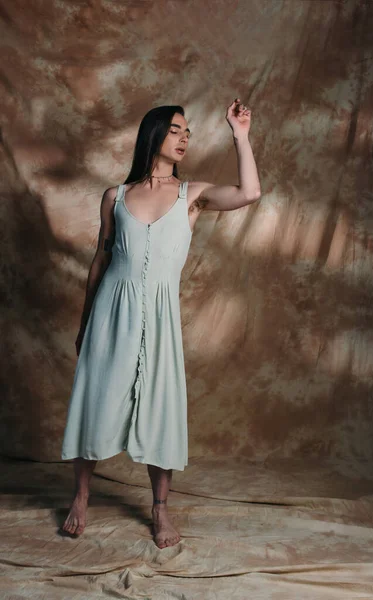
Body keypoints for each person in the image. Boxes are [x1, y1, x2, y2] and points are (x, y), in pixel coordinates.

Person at [61, 98, 261, 549]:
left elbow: (249, 193)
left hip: (160, 317)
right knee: (97, 398)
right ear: (154, 134)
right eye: (176, 130)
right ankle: (80, 496)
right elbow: (100, 262)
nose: (185, 138)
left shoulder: (193, 196)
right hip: (111, 314)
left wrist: (240, 136)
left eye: (187, 132)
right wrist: (84, 322)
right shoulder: (115, 196)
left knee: (160, 405)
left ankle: (160, 508)